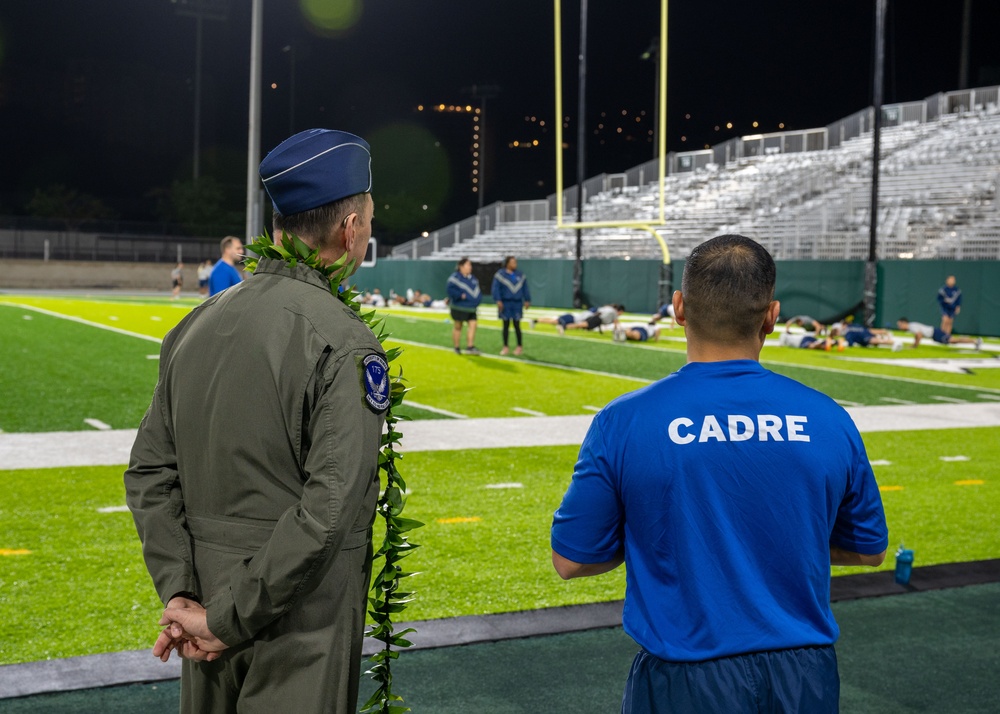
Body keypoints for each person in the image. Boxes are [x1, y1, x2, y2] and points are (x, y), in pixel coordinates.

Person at [551, 234, 888, 714]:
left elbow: (572, 560)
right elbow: (868, 549)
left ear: (678, 308)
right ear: (772, 316)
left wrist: (672, 542)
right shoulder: (829, 417)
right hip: (805, 678)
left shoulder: (625, 421)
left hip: (687, 679)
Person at [125, 128, 385, 714]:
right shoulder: (343, 341)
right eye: (368, 216)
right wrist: (226, 618)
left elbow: (147, 472)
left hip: (204, 614)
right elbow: (329, 510)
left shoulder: (194, 324)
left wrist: (185, 595)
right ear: (350, 230)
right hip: (295, 624)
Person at [492, 255, 531, 356]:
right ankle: (505, 346)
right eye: (513, 262)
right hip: (506, 302)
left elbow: (525, 288)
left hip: (517, 303)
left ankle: (519, 346)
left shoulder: (520, 275)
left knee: (517, 325)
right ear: (507, 263)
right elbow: (496, 288)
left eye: (515, 262)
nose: (515, 264)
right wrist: (498, 300)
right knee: (505, 325)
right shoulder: (500, 275)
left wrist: (527, 299)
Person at [446, 257, 482, 355]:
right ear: (461, 266)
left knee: (473, 325)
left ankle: (470, 346)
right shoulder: (455, 278)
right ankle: (457, 347)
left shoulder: (473, 279)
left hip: (471, 307)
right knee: (458, 326)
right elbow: (450, 290)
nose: (470, 267)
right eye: (468, 265)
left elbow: (477, 292)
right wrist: (460, 295)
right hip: (459, 307)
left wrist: (477, 301)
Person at [896, 317, 982, 349]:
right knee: (953, 341)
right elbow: (917, 335)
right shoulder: (911, 326)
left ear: (904, 323)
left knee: (954, 340)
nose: (899, 327)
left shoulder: (911, 326)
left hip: (935, 333)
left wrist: (915, 346)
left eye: (900, 325)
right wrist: (914, 344)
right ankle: (975, 341)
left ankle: (975, 341)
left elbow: (919, 335)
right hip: (934, 334)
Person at [831, 322, 901, 351]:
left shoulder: (847, 333)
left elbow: (850, 344)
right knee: (875, 339)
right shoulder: (850, 326)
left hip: (863, 336)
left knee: (876, 341)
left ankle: (894, 342)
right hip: (864, 331)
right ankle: (887, 336)